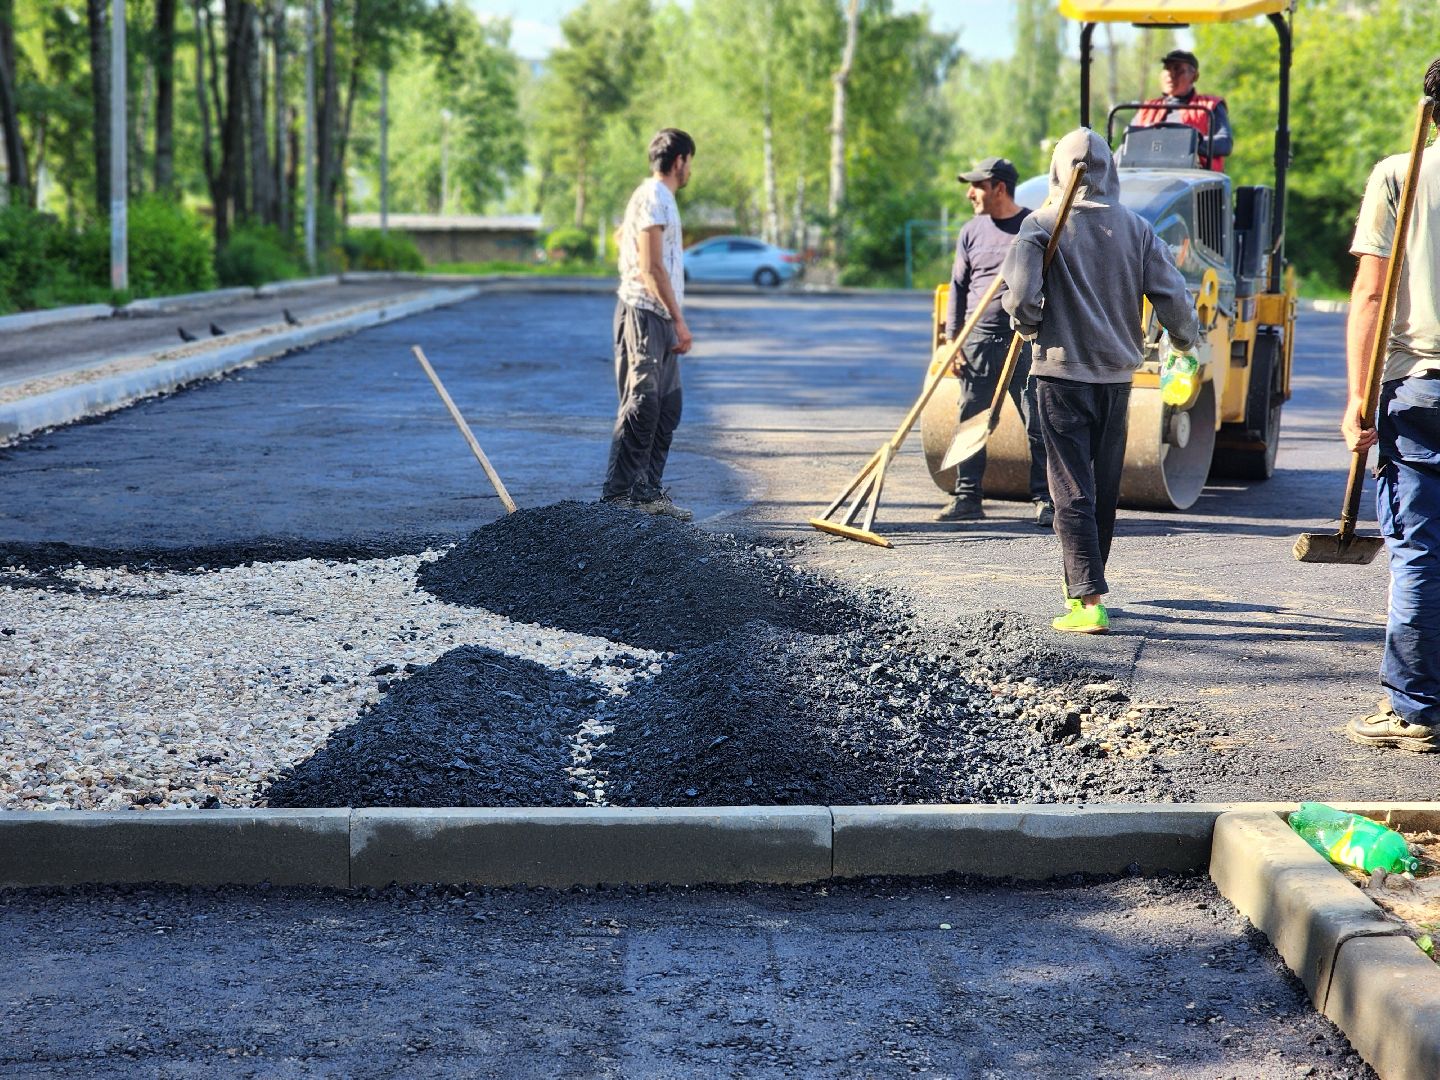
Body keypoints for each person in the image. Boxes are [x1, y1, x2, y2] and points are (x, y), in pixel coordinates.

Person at [1001, 129, 1198, 635]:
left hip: (1061, 374)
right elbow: (1173, 297)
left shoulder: (1040, 226)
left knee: (1070, 486)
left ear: (1055, 170)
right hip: (1116, 378)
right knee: (1102, 485)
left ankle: (1087, 599)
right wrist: (1183, 340)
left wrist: (1026, 324)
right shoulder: (1136, 229)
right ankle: (1092, 582)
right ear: (1111, 172)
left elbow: (1021, 298)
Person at [1341, 59, 1440, 754]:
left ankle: (1414, 709)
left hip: (1420, 386)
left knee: (1419, 549)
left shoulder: (1400, 174)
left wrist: (1354, 398)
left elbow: (1372, 296)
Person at [937, 156, 1053, 527]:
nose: (970, 193)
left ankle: (1047, 499)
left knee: (1038, 420)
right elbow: (957, 287)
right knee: (971, 418)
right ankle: (968, 497)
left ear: (998, 187)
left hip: (1024, 339)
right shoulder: (971, 231)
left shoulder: (1033, 227)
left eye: (977, 186)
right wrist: (952, 338)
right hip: (979, 340)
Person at [601, 128, 697, 522]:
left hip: (657, 314)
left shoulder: (655, 198)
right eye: (690, 162)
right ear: (679, 161)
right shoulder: (656, 196)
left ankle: (647, 494)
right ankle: (617, 499)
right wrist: (679, 320)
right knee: (643, 404)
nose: (691, 169)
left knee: (668, 406)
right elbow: (651, 265)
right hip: (644, 313)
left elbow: (630, 238)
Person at [1130, 49, 1233, 171]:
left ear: (1194, 76)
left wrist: (1188, 142)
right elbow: (1129, 141)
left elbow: (1224, 143)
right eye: (1167, 68)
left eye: (1177, 69)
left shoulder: (1209, 106)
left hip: (1195, 177)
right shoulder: (1147, 109)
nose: (1170, 74)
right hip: (1147, 174)